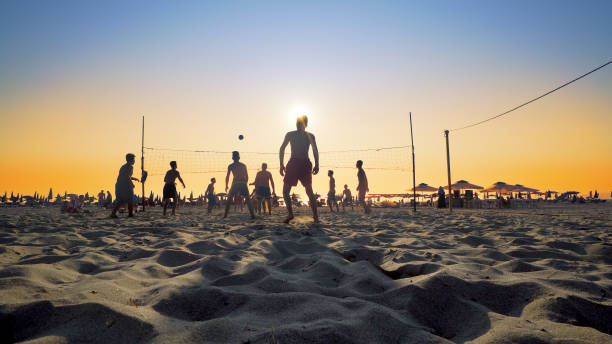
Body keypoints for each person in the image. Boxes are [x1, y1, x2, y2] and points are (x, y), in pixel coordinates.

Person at [279, 115, 319, 223]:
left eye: (300, 123)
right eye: (297, 123)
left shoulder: (310, 135)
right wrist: (281, 164)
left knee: (309, 190)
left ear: (305, 124)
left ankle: (315, 216)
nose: (298, 125)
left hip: (304, 163)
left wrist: (317, 164)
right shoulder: (290, 134)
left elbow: (315, 150)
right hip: (294, 163)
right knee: (286, 191)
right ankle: (291, 214)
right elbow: (282, 148)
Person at [224, 151, 255, 219]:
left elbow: (227, 177)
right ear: (239, 157)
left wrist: (226, 185)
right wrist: (245, 184)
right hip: (242, 183)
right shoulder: (243, 165)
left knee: (229, 199)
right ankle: (252, 215)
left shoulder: (231, 166)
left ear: (233, 158)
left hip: (235, 183)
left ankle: (225, 215)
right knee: (248, 199)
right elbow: (247, 176)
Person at [111, 153, 139, 218]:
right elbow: (126, 176)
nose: (134, 161)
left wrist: (133, 178)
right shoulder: (130, 167)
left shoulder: (124, 166)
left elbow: (124, 176)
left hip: (119, 184)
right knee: (130, 199)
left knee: (120, 200)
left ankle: (113, 213)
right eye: (134, 159)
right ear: (131, 160)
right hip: (125, 185)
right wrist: (132, 184)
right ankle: (130, 214)